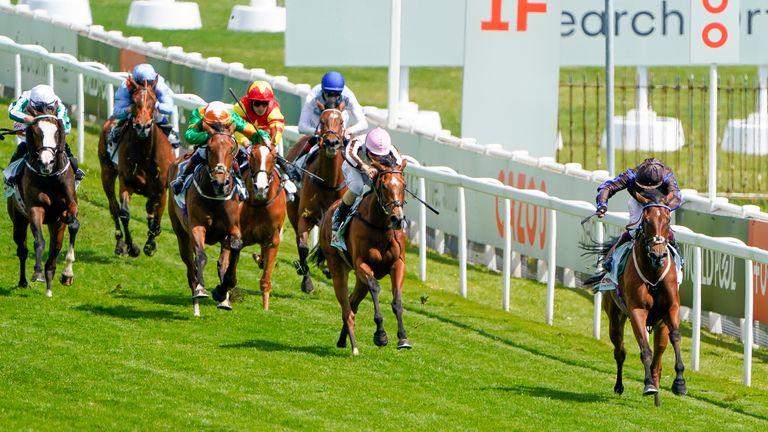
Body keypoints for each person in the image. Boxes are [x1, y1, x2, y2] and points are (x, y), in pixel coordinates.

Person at [596, 157, 682, 271]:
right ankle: (611, 258)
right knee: (635, 229)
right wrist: (602, 205)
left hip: (662, 203)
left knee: (661, 228)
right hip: (639, 202)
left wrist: (662, 207)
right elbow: (608, 187)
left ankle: (679, 258)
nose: (648, 189)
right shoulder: (631, 175)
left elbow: (676, 196)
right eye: (643, 186)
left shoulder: (667, 175)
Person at [169, 101, 270, 196]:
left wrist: (264, 136)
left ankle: (241, 184)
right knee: (201, 153)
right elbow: (189, 136)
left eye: (222, 125)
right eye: (213, 124)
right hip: (209, 143)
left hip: (227, 143)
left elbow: (253, 132)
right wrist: (212, 135)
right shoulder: (199, 113)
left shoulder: (232, 117)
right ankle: (182, 179)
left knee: (243, 155)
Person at [331, 127, 402, 245]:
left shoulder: (391, 149)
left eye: (381, 156)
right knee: (357, 186)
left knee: (386, 190)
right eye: (374, 154)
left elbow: (399, 165)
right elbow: (347, 154)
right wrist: (365, 167)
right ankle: (338, 217)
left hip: (375, 172)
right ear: (368, 149)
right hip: (353, 167)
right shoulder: (358, 142)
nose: (377, 158)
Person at [291, 71, 368, 179]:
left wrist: (349, 131)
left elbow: (363, 123)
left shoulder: (348, 95)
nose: (333, 98)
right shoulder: (314, 96)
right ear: (323, 91)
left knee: (348, 145)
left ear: (341, 93)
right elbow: (302, 126)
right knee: (314, 141)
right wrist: (318, 132)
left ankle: (361, 176)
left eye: (337, 95)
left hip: (339, 119)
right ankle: (296, 167)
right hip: (318, 119)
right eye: (329, 94)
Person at [5, 84, 85, 186]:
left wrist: (53, 129)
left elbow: (66, 127)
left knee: (63, 145)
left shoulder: (59, 104)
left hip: (49, 128)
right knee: (24, 145)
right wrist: (27, 118)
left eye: (48, 108)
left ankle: (75, 170)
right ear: (32, 103)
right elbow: (12, 112)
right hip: (27, 122)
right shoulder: (26, 96)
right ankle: (10, 174)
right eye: (39, 108)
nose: (43, 111)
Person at [233, 80, 297, 197]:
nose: (261, 108)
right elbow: (235, 127)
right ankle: (234, 182)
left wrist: (272, 143)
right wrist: (246, 143)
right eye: (257, 103)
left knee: (275, 153)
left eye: (264, 104)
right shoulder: (240, 106)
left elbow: (277, 127)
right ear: (250, 101)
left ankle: (285, 178)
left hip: (266, 139)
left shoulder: (274, 109)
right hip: (244, 138)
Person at [108, 63, 180, 150]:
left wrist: (153, 105)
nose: (145, 85)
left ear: (153, 81)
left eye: (149, 82)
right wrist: (129, 109)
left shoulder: (159, 84)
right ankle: (115, 135)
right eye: (141, 83)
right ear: (134, 82)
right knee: (118, 132)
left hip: (153, 113)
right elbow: (116, 112)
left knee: (159, 117)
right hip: (132, 113)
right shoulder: (126, 86)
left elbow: (170, 109)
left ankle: (169, 134)